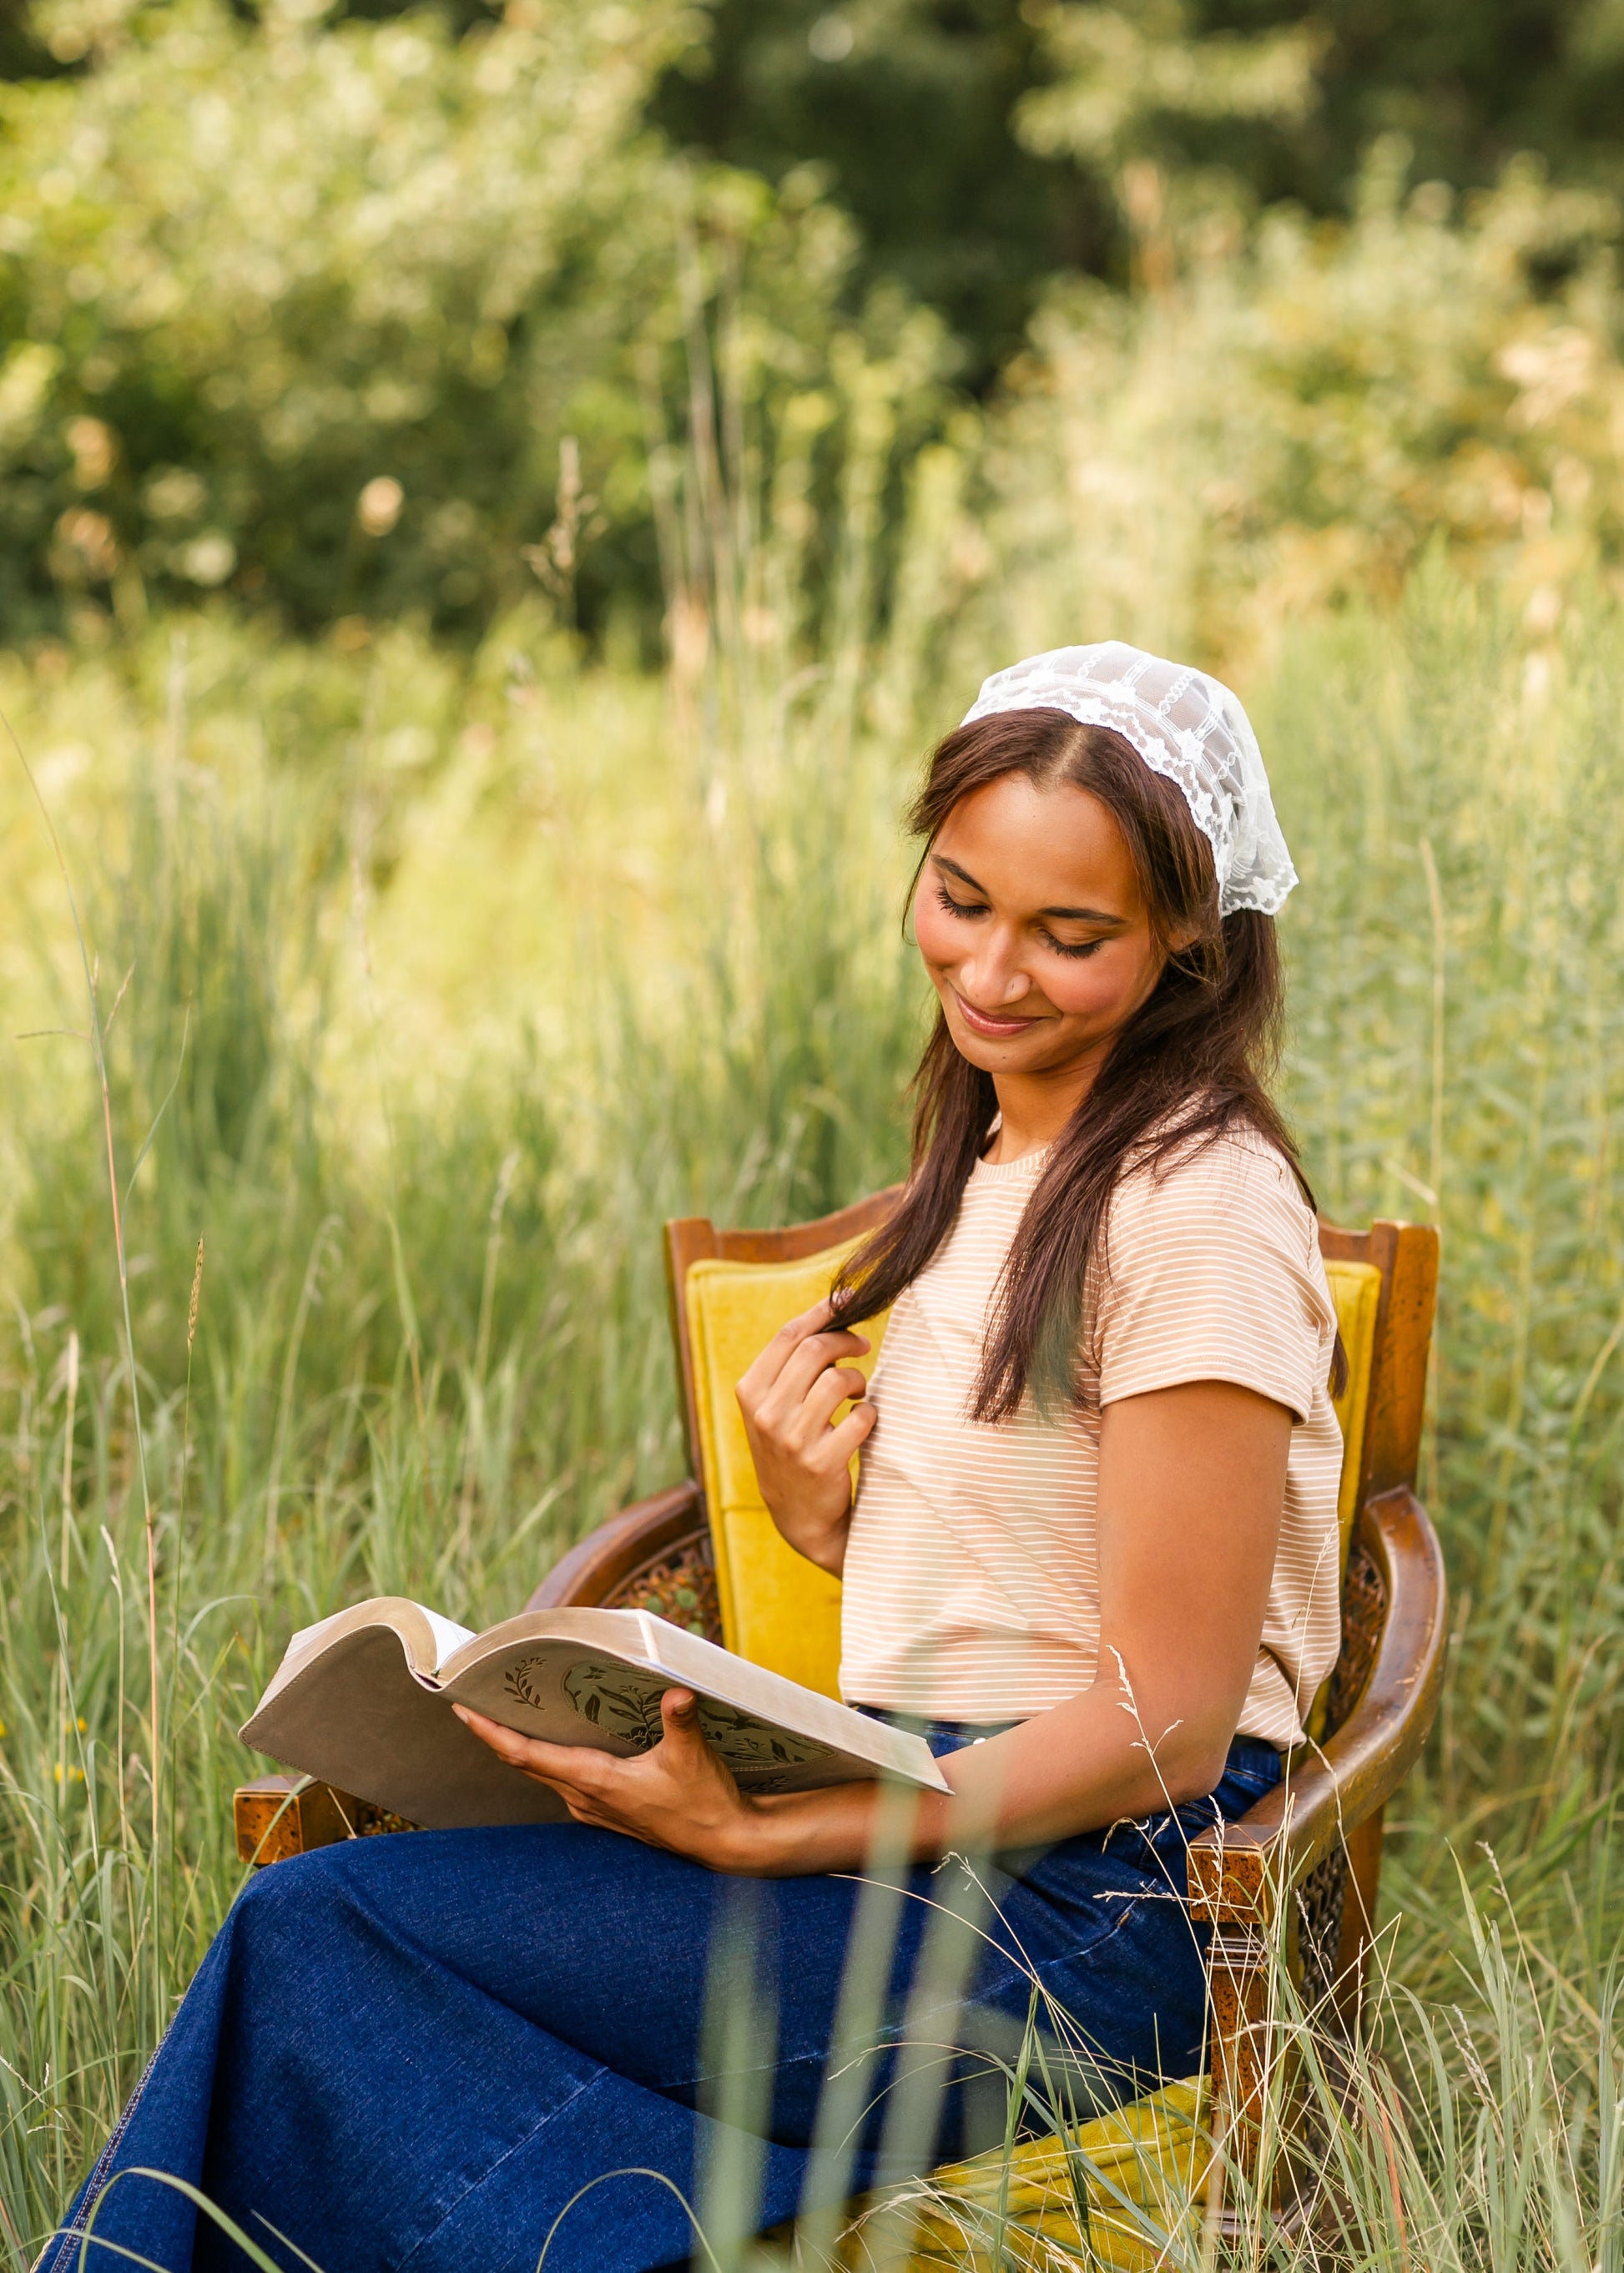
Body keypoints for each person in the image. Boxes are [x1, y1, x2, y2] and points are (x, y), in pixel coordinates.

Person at [43, 644, 1343, 2273]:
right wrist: (822, 1520)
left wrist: (779, 1833)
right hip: (939, 1807)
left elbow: (1160, 1720)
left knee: (329, 1930)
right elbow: (1034, 1573)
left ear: (1186, 946)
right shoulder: (1006, 1147)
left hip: (1087, 1906)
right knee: (382, 1937)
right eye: (959, 897)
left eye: (1067, 936)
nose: (993, 970)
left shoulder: (1198, 1209)